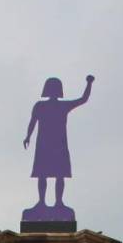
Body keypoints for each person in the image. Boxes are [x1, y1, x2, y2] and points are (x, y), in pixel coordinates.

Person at [24, 75, 94, 210]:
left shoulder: (63, 105)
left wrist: (89, 83)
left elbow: (83, 99)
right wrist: (28, 136)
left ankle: (58, 203)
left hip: (58, 144)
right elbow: (32, 122)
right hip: (44, 143)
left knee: (59, 174)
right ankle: (42, 202)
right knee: (42, 174)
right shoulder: (40, 106)